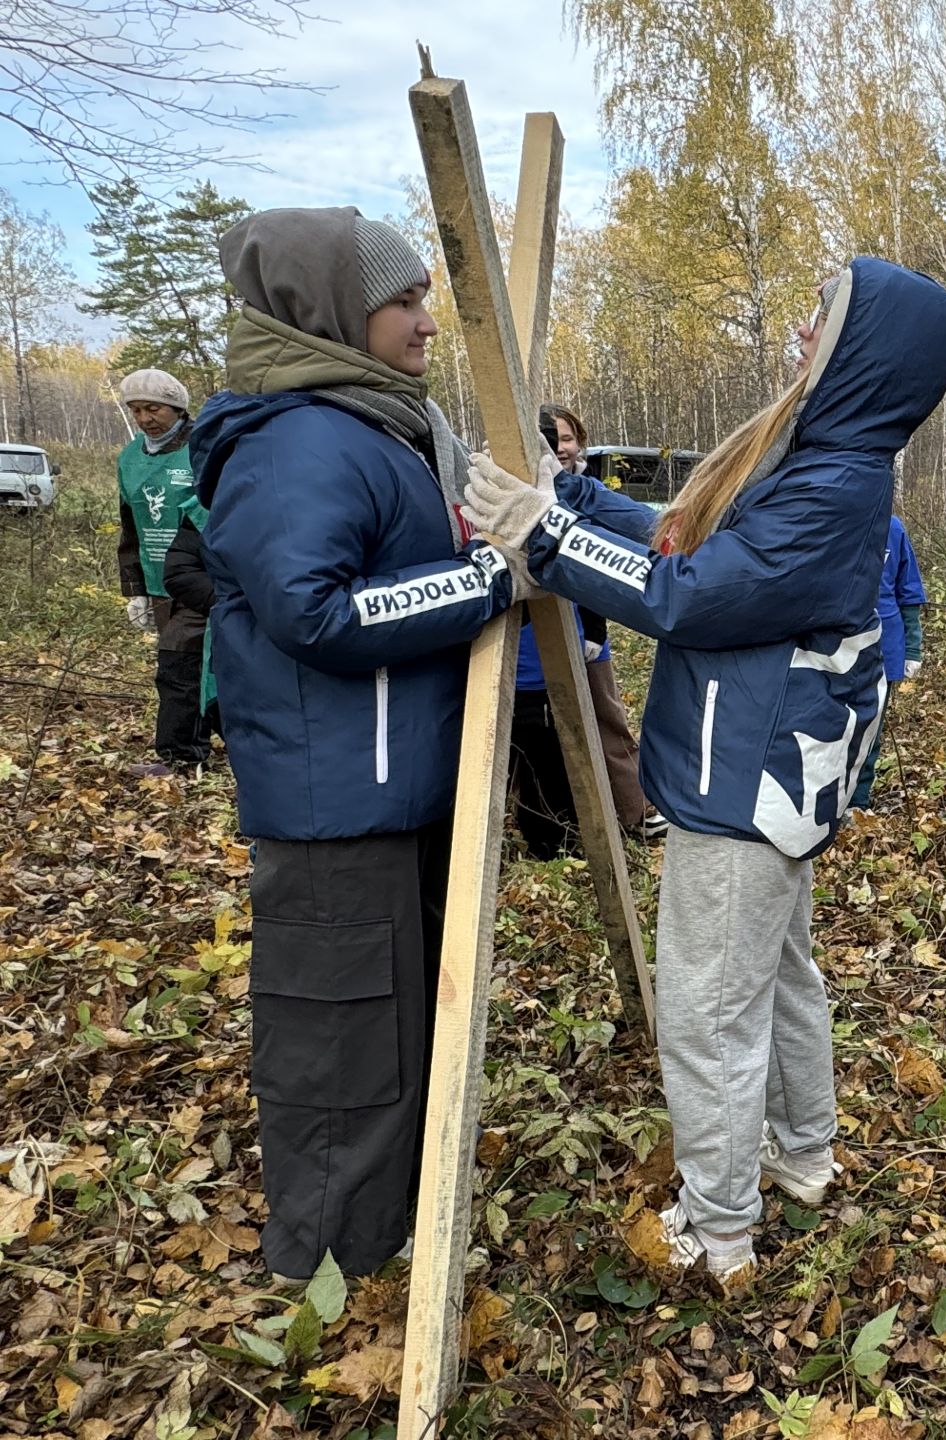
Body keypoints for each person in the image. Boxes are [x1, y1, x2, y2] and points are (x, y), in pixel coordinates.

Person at [459, 258, 946, 1281]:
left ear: (862, 352)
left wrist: (546, 536)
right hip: (763, 777)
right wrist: (574, 501)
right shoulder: (814, 456)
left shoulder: (834, 483)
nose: (798, 333)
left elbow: (687, 593)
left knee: (706, 1012)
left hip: (744, 787)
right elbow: (679, 535)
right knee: (777, 982)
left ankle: (720, 1231)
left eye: (820, 320)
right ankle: (802, 1156)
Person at [190, 207, 527, 1281]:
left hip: (396, 792)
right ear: (333, 310)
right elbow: (314, 612)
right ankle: (325, 1282)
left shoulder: (376, 425)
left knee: (396, 1040)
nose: (427, 321)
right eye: (407, 299)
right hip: (336, 808)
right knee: (343, 1052)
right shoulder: (294, 441)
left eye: (429, 295)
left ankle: (386, 1247)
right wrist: (483, 583)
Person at [504, 404, 654, 856]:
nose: (561, 447)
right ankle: (550, 831)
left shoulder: (590, 492)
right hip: (531, 647)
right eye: (551, 440)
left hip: (586, 639)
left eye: (567, 438)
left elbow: (620, 553)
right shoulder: (515, 496)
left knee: (607, 725)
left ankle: (633, 813)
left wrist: (594, 631)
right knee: (538, 742)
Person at [116, 369, 207, 774]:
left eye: (153, 408)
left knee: (177, 662)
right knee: (196, 666)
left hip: (200, 575)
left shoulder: (203, 446)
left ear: (177, 407)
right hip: (159, 580)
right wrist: (134, 587)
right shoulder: (131, 457)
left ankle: (178, 754)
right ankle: (204, 741)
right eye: (135, 410)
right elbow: (129, 524)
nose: (144, 418)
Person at [850, 511, 925, 810]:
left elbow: (908, 591)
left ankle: (858, 801)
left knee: (871, 729)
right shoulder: (837, 519)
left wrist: (913, 648)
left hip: (885, 647)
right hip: (837, 644)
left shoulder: (893, 528)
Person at [161, 501, 221, 750]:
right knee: (176, 647)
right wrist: (233, 602)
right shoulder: (202, 509)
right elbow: (179, 571)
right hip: (218, 602)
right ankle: (180, 752)